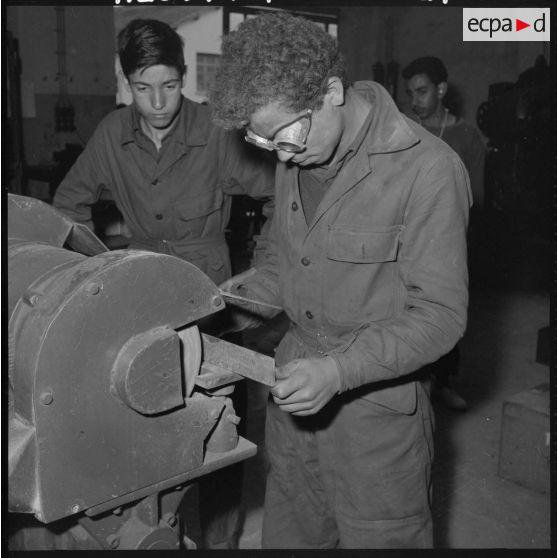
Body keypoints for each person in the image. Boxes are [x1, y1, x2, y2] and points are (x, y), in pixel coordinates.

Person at [210, 12, 472, 549]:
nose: (280, 156)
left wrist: (339, 370)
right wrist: (217, 308)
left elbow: (441, 317)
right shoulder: (298, 151)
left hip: (377, 427)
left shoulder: (428, 170)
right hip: (293, 413)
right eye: (263, 143)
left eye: (285, 136)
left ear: (331, 91)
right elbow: (286, 267)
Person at [53, 18, 275, 549]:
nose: (158, 102)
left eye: (170, 86)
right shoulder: (112, 134)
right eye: (143, 88)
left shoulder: (217, 134)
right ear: (127, 82)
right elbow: (65, 210)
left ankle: (221, 543)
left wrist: (265, 271)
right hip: (140, 309)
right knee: (144, 429)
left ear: (184, 77)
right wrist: (100, 274)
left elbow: (278, 196)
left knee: (220, 437)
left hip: (213, 306)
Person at [403, 56, 486, 411]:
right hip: (406, 236)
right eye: (410, 93)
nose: (415, 100)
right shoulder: (405, 130)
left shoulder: (465, 135)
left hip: (448, 238)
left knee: (443, 308)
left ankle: (443, 381)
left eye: (422, 91)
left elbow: (477, 197)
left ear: (440, 89)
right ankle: (412, 379)